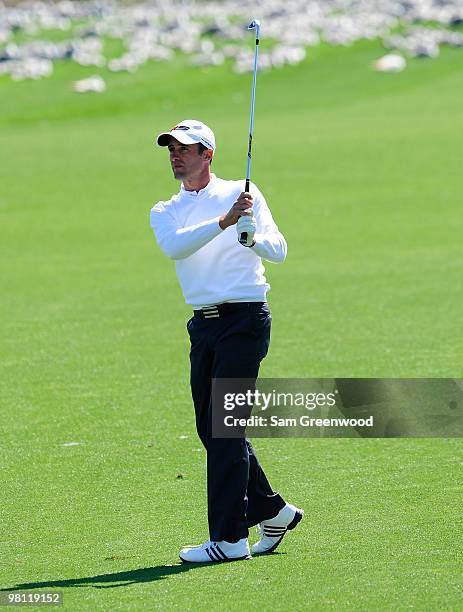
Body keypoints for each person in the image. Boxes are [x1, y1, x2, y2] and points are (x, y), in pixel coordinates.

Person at [150, 119, 303, 563]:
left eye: (185, 149)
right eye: (171, 149)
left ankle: (230, 538)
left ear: (207, 154)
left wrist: (252, 236)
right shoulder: (166, 210)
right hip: (203, 325)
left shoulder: (243, 193)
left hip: (245, 320)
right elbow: (175, 248)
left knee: (224, 426)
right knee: (213, 428)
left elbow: (280, 249)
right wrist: (224, 221)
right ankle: (273, 511)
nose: (176, 155)